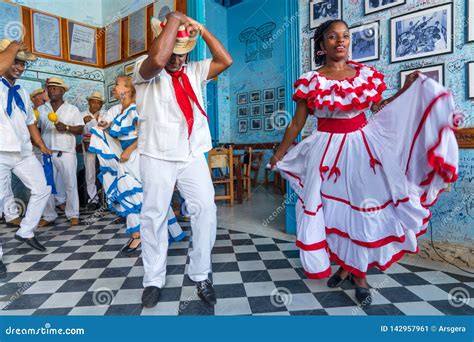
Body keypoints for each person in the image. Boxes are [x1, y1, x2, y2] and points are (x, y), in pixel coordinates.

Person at [270, 20, 459, 307]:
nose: (340, 41)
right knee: (333, 213)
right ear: (322, 46)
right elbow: (297, 123)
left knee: (363, 211)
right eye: (332, 37)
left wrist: (406, 90)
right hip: (326, 153)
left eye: (345, 36)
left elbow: (379, 109)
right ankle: (345, 264)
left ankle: (359, 275)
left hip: (363, 150)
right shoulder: (312, 80)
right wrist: (279, 153)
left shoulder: (365, 75)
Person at [133, 11, 232, 308]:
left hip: (190, 154)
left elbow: (226, 60)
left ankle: (201, 273)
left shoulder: (195, 70)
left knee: (205, 210)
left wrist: (200, 29)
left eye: (182, 54)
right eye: (174, 52)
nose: (177, 60)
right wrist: (175, 18)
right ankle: (153, 278)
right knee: (153, 216)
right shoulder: (143, 68)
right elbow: (159, 61)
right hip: (156, 154)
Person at [89, 75, 184, 253]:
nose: (114, 88)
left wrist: (129, 150)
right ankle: (143, 234)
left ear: (127, 89)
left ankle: (143, 235)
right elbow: (120, 134)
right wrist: (105, 128)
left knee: (136, 195)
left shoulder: (134, 109)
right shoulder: (122, 111)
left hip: (136, 157)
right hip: (128, 158)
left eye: (117, 85)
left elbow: (146, 134)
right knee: (136, 196)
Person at [0, 39, 53, 277]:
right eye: (16, 62)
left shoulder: (21, 91)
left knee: (42, 188)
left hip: (22, 152)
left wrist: (41, 146)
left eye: (23, 64)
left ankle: (26, 230)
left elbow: (30, 123)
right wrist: (11, 47)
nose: (20, 68)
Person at [37, 78, 84, 226]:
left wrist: (68, 128)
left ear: (63, 91)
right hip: (47, 152)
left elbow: (80, 129)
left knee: (70, 184)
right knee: (47, 186)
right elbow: (36, 130)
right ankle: (49, 215)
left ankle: (73, 214)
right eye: (49, 88)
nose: (51, 90)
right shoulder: (41, 110)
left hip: (66, 152)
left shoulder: (72, 109)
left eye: (55, 88)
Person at [82, 91, 105, 210]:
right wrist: (83, 122)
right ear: (89, 103)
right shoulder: (82, 115)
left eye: (98, 103)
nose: (95, 105)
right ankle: (93, 200)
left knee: (106, 171)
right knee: (90, 173)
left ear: (101, 105)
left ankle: (107, 199)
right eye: (93, 102)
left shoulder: (105, 115)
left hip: (102, 147)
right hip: (88, 146)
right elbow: (79, 130)